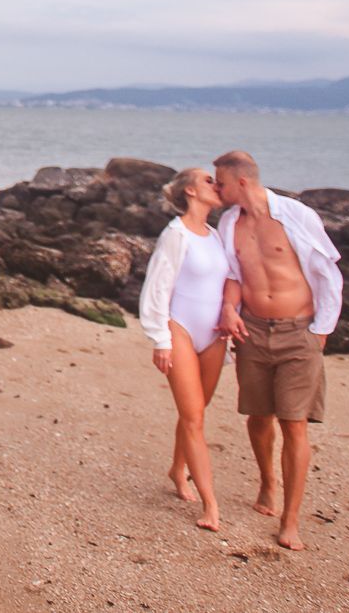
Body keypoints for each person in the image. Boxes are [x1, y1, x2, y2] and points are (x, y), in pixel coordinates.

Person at [213, 149, 343, 552]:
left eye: (220, 182)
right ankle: (267, 481)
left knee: (294, 424)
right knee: (258, 415)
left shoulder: (297, 215)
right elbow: (233, 274)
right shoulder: (229, 222)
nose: (216, 189)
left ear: (242, 182)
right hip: (252, 331)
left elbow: (327, 270)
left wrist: (321, 331)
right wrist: (229, 309)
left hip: (298, 332)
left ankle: (291, 518)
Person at [137, 166, 228, 532]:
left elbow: (228, 283)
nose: (216, 185)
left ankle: (177, 468)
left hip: (215, 336)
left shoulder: (216, 235)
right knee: (193, 419)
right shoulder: (175, 234)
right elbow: (156, 287)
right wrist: (160, 339)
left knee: (197, 412)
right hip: (181, 331)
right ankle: (210, 503)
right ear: (190, 191)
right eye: (208, 180)